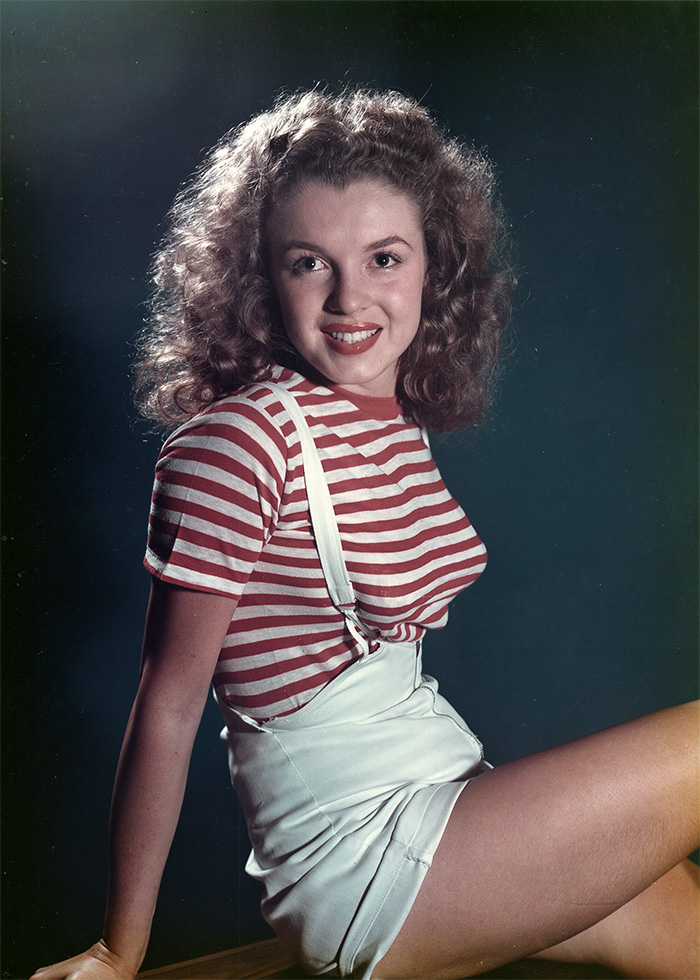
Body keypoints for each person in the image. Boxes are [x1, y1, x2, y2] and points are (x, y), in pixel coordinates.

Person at [32, 88, 698, 980]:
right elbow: (168, 706)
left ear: (434, 268)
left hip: (446, 799)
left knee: (684, 915)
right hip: (365, 865)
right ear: (259, 276)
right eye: (310, 263)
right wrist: (120, 951)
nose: (351, 298)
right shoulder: (242, 442)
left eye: (384, 258)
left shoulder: (391, 415)